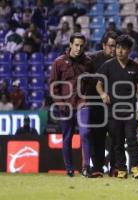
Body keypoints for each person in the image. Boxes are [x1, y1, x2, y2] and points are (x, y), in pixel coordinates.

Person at [96, 35, 138, 179]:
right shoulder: (108, 65)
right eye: (117, 47)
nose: (119, 51)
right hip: (113, 111)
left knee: (131, 140)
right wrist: (103, 94)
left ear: (129, 50)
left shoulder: (136, 68)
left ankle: (135, 168)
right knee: (116, 142)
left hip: (129, 111)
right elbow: (99, 83)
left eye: (123, 48)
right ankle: (121, 169)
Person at [49, 33, 95, 178]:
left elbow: (93, 81)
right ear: (70, 44)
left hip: (83, 103)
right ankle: (69, 169)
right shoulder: (59, 62)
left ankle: (86, 167)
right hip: (65, 106)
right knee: (67, 138)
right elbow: (53, 86)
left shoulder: (88, 62)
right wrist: (61, 104)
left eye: (81, 46)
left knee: (85, 133)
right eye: (76, 45)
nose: (79, 48)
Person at [86, 31, 118, 177]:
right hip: (96, 104)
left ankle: (115, 168)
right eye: (111, 46)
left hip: (114, 105)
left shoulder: (120, 60)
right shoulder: (93, 60)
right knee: (97, 137)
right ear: (103, 45)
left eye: (115, 46)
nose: (113, 49)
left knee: (116, 137)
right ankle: (97, 168)